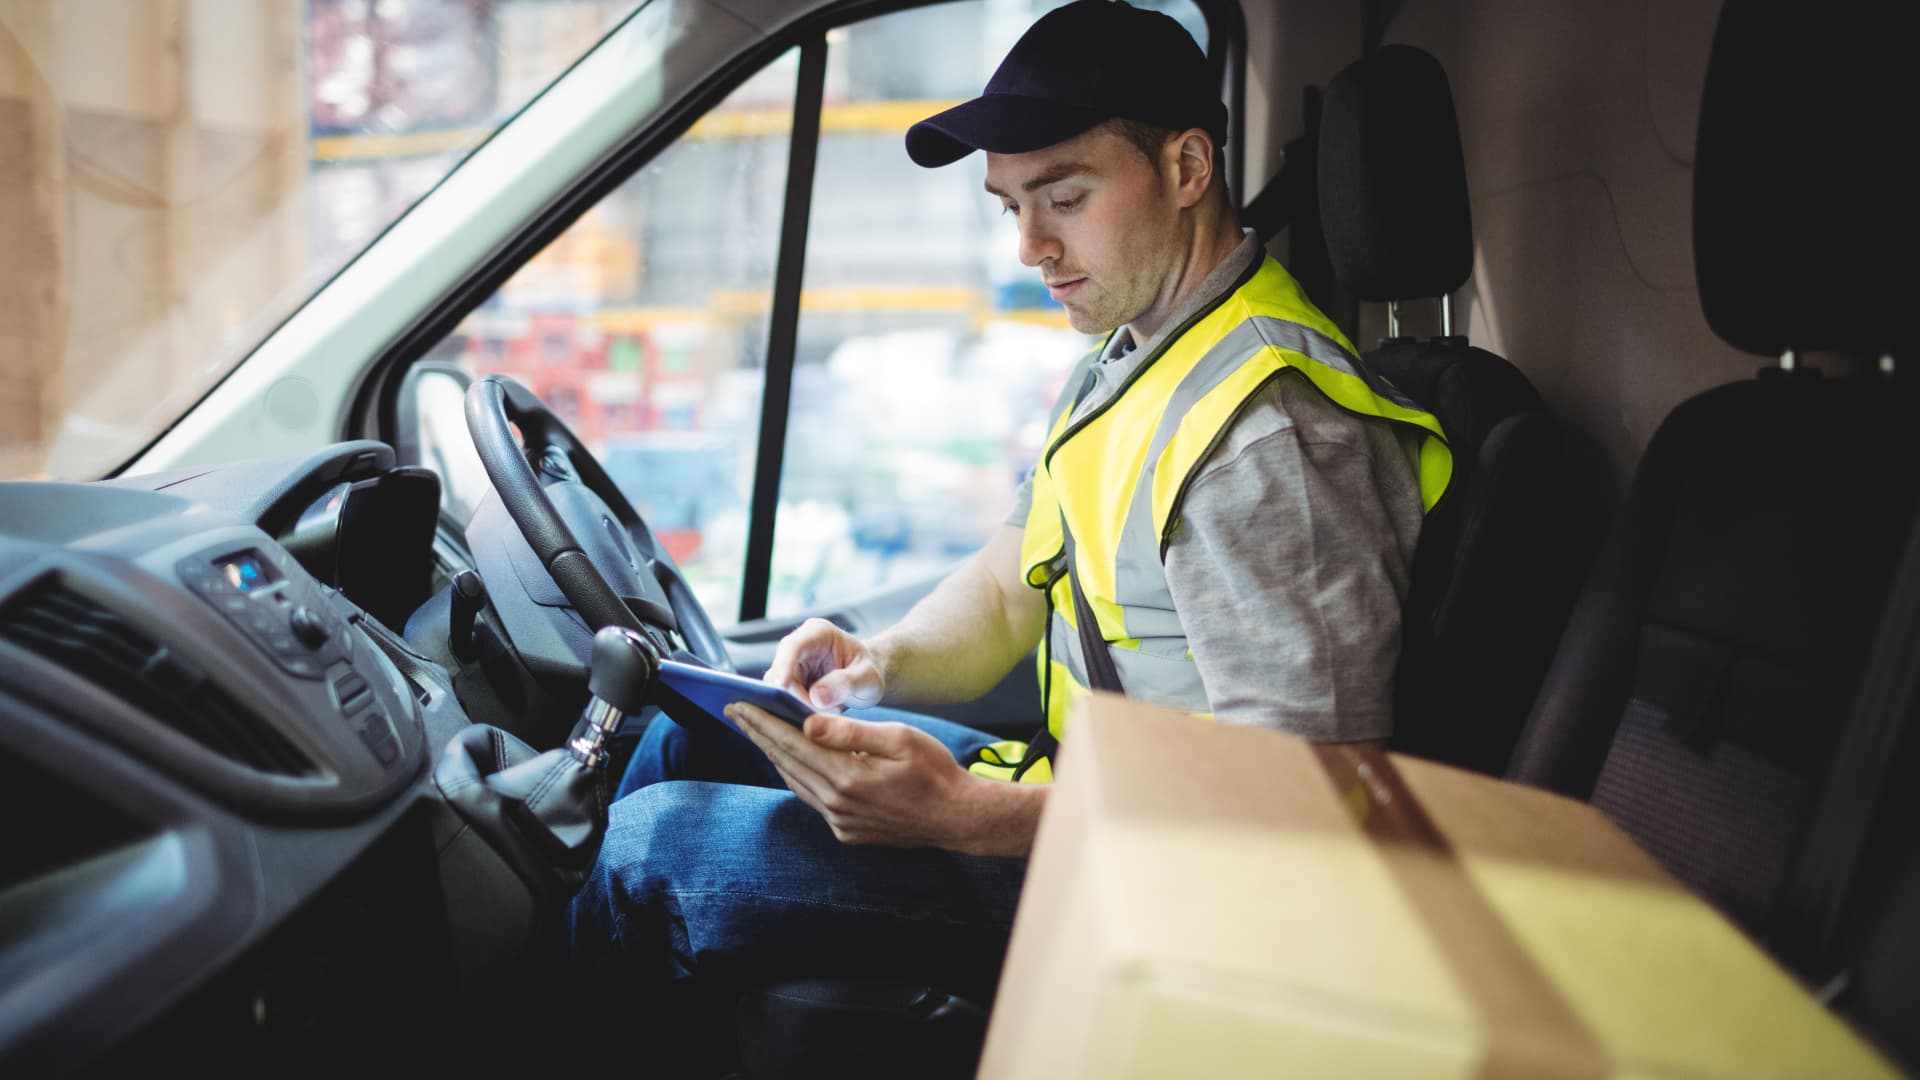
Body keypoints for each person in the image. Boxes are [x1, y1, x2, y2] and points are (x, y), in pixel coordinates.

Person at [559, 0, 1450, 1053]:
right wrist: (873, 663)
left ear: (1188, 167)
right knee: (683, 740)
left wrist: (965, 819)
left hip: (1184, 904)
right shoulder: (1139, 357)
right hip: (1089, 806)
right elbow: (1008, 580)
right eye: (1010, 207)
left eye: (1064, 197)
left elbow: (1311, 802)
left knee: (653, 849)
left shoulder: (1269, 436)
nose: (1031, 245)